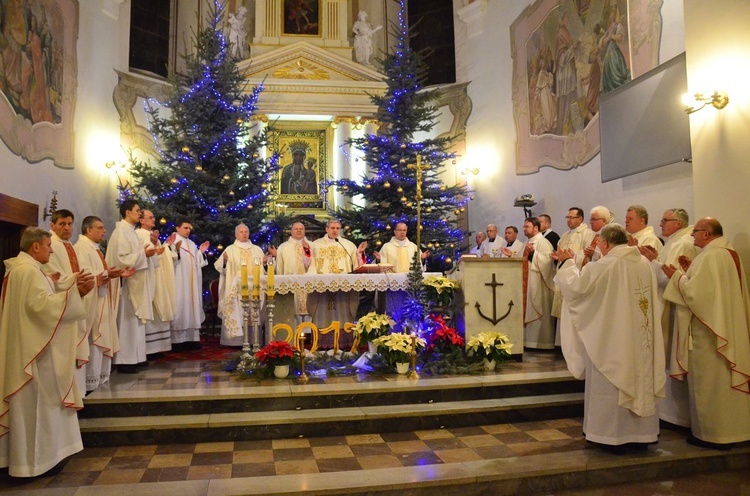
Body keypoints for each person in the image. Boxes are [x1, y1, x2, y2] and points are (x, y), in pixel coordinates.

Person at [554, 223, 665, 453]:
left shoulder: (606, 264)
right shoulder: (643, 263)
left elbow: (577, 287)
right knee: (639, 378)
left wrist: (567, 262)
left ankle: (611, 436)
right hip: (641, 340)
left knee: (611, 384)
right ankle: (641, 435)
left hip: (613, 341)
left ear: (604, 243)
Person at [0, 227, 89, 477]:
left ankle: (22, 460)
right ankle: (34, 464)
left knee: (32, 408)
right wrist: (77, 295)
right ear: (35, 247)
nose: (52, 250)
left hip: (28, 344)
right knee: (37, 407)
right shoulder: (27, 272)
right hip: (35, 351)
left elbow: (42, 299)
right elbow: (41, 308)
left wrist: (69, 286)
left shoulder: (22, 269)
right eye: (48, 246)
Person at [662, 217, 750, 449]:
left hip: (708, 336)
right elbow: (712, 290)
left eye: (696, 232)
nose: (692, 236)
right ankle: (736, 431)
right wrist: (690, 271)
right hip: (724, 326)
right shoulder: (727, 253)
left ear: (707, 234)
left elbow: (696, 296)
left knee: (710, 385)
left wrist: (676, 276)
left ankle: (713, 434)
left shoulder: (711, 256)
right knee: (724, 386)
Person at [637, 208, 697, 428]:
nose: (660, 224)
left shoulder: (683, 243)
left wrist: (652, 261)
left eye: (665, 220)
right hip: (668, 304)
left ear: (678, 223)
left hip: (674, 307)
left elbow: (670, 277)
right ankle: (669, 414)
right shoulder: (674, 241)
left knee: (672, 356)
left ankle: (677, 417)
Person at [43, 209, 92, 397]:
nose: (67, 227)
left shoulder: (69, 244)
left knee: (75, 345)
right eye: (62, 224)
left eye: (70, 223)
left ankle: (78, 393)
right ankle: (69, 394)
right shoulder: (51, 245)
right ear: (52, 225)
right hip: (62, 305)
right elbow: (54, 275)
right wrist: (76, 279)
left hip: (74, 300)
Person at [106, 199, 155, 373]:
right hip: (127, 283)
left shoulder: (130, 231)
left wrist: (145, 253)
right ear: (127, 212)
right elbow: (122, 259)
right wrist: (143, 253)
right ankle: (126, 360)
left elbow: (133, 254)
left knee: (135, 322)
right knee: (128, 321)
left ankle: (137, 357)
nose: (139, 213)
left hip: (136, 281)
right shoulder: (121, 232)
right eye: (137, 210)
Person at [74, 216, 122, 393]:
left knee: (99, 338)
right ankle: (89, 383)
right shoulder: (81, 249)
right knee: (93, 339)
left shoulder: (94, 249)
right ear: (88, 230)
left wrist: (110, 274)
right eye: (100, 228)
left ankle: (97, 380)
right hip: (91, 304)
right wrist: (102, 276)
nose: (104, 231)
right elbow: (84, 276)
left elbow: (98, 273)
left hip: (100, 300)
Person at [309, 219, 366, 349]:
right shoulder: (316, 245)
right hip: (322, 287)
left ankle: (344, 343)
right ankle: (322, 344)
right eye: (332, 228)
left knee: (343, 311)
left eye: (337, 228)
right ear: (326, 229)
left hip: (343, 288)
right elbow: (309, 263)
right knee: (322, 311)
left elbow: (356, 266)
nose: (335, 230)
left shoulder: (348, 245)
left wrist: (359, 254)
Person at [214, 224, 265, 346]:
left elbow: (263, 269)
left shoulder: (257, 249)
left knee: (254, 312)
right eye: (241, 232)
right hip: (237, 288)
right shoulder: (230, 249)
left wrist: (265, 262)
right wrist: (224, 262)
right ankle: (236, 341)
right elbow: (220, 267)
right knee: (239, 312)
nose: (244, 234)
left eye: (246, 231)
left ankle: (254, 340)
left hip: (255, 287)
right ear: (236, 234)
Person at [137, 210, 177, 357]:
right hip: (147, 276)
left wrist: (166, 246)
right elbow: (145, 254)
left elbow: (158, 253)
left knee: (160, 305)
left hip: (158, 275)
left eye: (154, 217)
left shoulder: (152, 235)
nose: (154, 220)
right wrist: (158, 250)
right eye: (150, 217)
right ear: (141, 220)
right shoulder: (139, 235)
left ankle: (159, 347)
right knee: (152, 307)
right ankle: (150, 349)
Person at [170, 219, 209, 351]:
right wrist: (175, 251)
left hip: (192, 283)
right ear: (177, 228)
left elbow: (197, 262)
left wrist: (201, 253)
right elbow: (169, 259)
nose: (188, 230)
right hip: (179, 281)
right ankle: (177, 341)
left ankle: (192, 339)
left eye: (189, 228)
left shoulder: (191, 243)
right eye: (185, 228)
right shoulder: (172, 241)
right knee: (180, 308)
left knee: (192, 307)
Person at [551, 207, 595, 321]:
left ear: (580, 219)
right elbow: (560, 253)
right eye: (567, 217)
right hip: (564, 278)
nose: (568, 220)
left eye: (571, 217)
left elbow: (588, 256)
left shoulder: (588, 234)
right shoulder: (565, 235)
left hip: (576, 279)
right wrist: (558, 258)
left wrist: (571, 258)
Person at [271, 222, 317, 326]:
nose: (299, 230)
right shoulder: (284, 247)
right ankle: (293, 334)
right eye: (296, 229)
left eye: (301, 229)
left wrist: (307, 250)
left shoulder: (312, 245)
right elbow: (279, 268)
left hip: (308, 284)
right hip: (291, 284)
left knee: (309, 310)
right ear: (291, 231)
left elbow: (314, 264)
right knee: (292, 310)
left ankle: (309, 335)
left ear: (304, 231)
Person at [521, 217, 555, 349]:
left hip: (538, 283)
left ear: (536, 228)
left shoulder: (543, 242)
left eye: (527, 226)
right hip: (528, 281)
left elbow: (547, 262)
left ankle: (541, 343)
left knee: (537, 306)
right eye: (524, 226)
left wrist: (533, 253)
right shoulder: (527, 242)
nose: (524, 229)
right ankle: (528, 341)